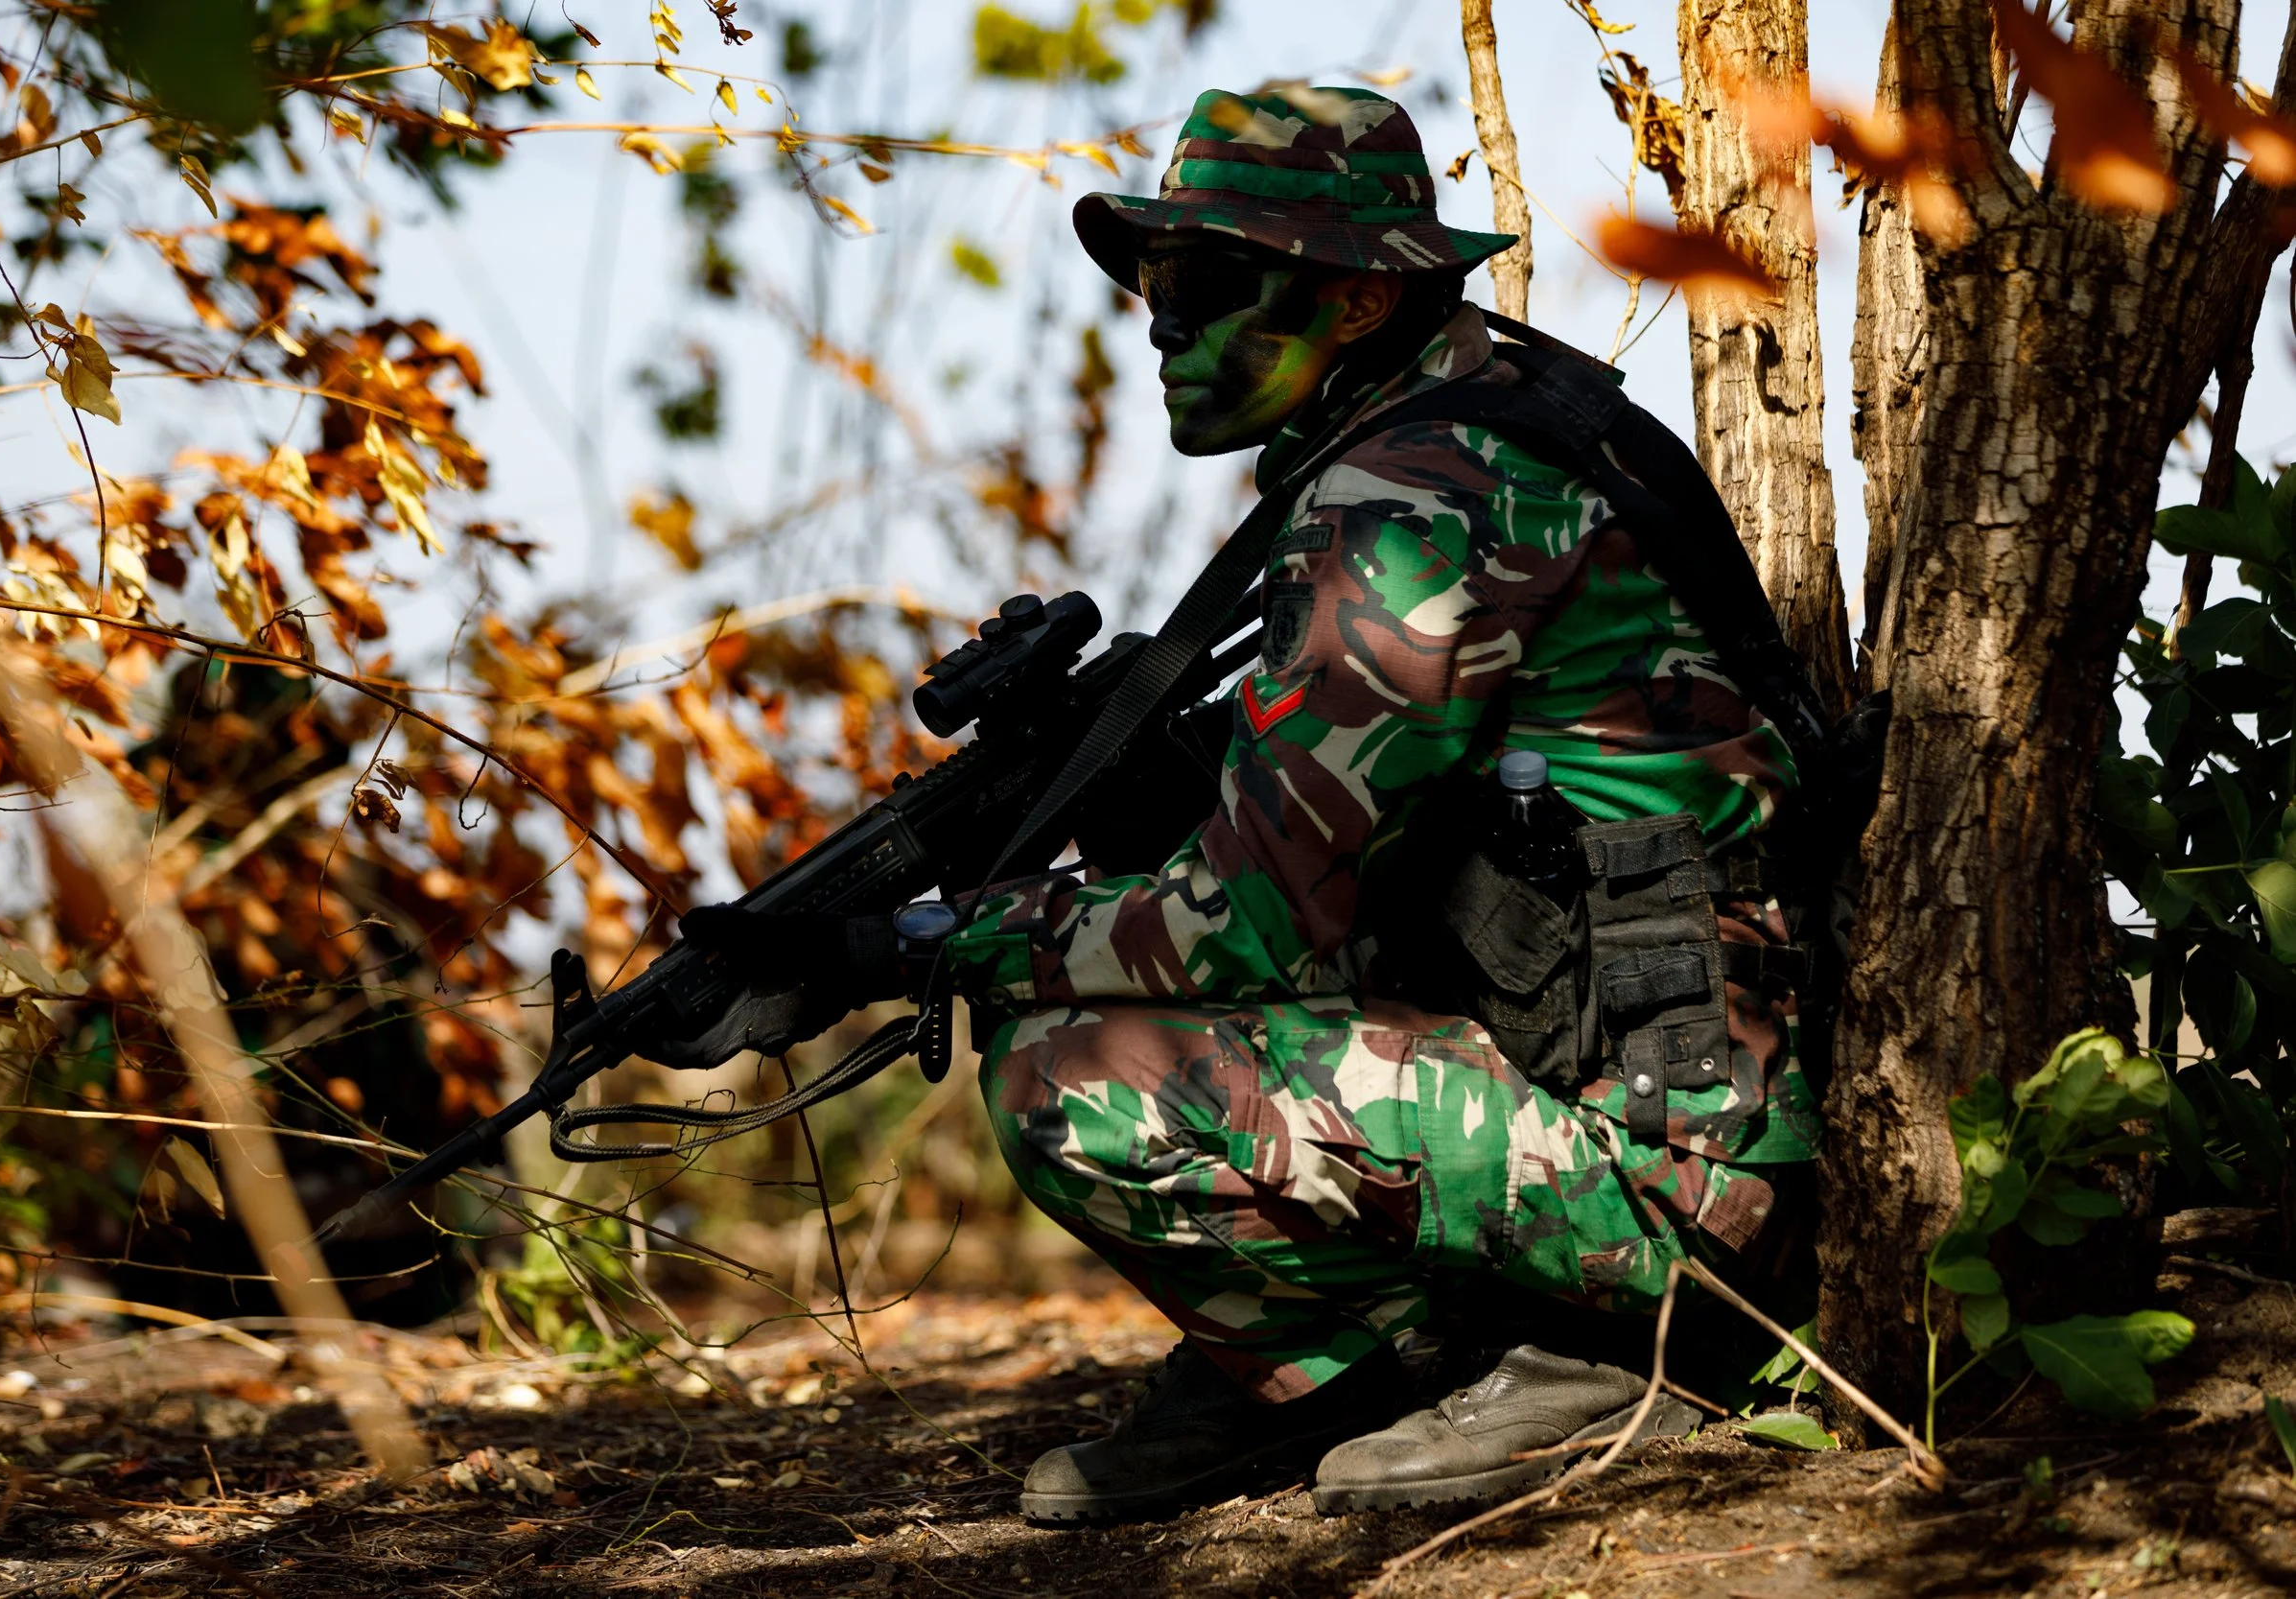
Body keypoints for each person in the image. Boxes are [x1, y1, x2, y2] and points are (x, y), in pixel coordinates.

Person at [678, 83, 1824, 1525]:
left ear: (1354, 303)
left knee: (1070, 1078)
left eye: (1212, 286)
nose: (1167, 328)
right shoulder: (1485, 414)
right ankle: (1348, 1362)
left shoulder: (1406, 503)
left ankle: (1582, 1354)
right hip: (1660, 1083)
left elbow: (1239, 929)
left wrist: (899, 949)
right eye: (1152, 288)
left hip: (1683, 1179)